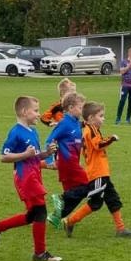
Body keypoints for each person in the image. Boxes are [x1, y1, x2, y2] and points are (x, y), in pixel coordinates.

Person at [0, 95, 61, 261]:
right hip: (25, 177)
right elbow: (3, 157)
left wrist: (47, 154)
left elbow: (33, 156)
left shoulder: (33, 131)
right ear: (25, 112)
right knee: (40, 212)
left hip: (34, 175)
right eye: (35, 111)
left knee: (32, 215)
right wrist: (24, 154)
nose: (38, 114)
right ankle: (40, 253)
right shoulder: (15, 132)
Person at [63, 101, 131, 238]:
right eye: (101, 116)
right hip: (97, 173)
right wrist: (112, 138)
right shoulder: (90, 130)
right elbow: (99, 145)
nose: (103, 119)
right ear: (91, 118)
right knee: (95, 203)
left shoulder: (89, 128)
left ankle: (121, 229)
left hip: (102, 172)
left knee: (113, 199)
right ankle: (70, 220)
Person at [47, 92, 89, 223]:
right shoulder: (64, 123)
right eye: (80, 107)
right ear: (71, 108)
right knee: (88, 186)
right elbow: (49, 140)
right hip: (68, 163)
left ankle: (55, 217)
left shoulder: (76, 122)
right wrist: (49, 159)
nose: (82, 111)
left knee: (73, 195)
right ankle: (60, 198)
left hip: (73, 162)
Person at [116, 48, 131, 124]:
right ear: (130, 53)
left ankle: (128, 119)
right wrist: (130, 65)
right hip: (125, 85)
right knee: (122, 101)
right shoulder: (124, 62)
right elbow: (122, 72)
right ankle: (118, 119)